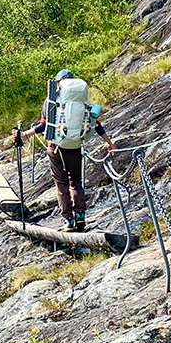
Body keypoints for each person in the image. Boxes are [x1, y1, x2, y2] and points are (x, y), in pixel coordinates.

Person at [12, 70, 116, 231]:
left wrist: (24, 133)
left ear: (58, 83)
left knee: (62, 185)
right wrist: (109, 143)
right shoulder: (83, 100)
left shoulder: (52, 100)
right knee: (76, 182)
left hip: (56, 148)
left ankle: (68, 220)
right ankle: (80, 216)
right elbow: (96, 124)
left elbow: (43, 125)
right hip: (76, 146)